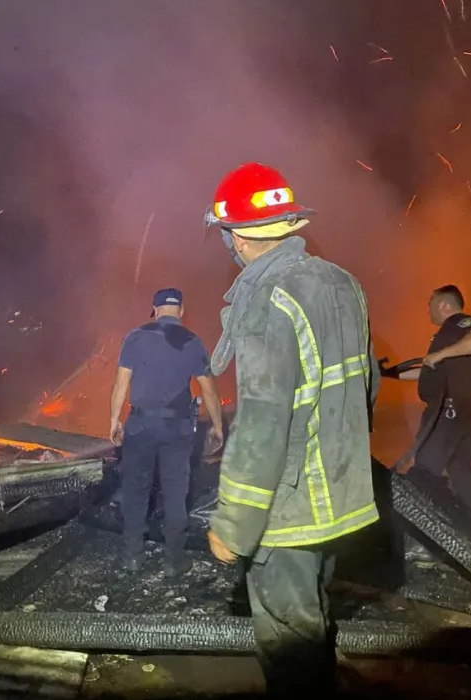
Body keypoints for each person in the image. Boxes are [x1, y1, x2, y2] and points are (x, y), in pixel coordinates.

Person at [203, 162, 381, 695]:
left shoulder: (268, 298)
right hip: (338, 498)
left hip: (290, 508)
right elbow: (367, 384)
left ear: (238, 236)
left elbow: (261, 421)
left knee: (290, 645)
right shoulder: (343, 282)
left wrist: (232, 524)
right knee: (315, 616)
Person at [110, 287, 223, 577]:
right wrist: (218, 425)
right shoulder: (192, 341)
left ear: (155, 309)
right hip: (177, 429)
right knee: (175, 492)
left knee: (136, 490)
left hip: (140, 426)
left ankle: (133, 557)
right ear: (181, 311)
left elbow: (121, 383)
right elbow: (208, 389)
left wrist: (114, 420)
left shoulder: (135, 338)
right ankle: (174, 561)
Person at [384, 285, 471, 526]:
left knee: (425, 469)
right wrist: (389, 374)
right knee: (459, 468)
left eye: (430, 303)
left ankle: (423, 529)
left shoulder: (459, 323)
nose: (428, 309)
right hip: (463, 412)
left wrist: (439, 355)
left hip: (449, 411)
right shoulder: (449, 337)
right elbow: (427, 370)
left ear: (443, 304)